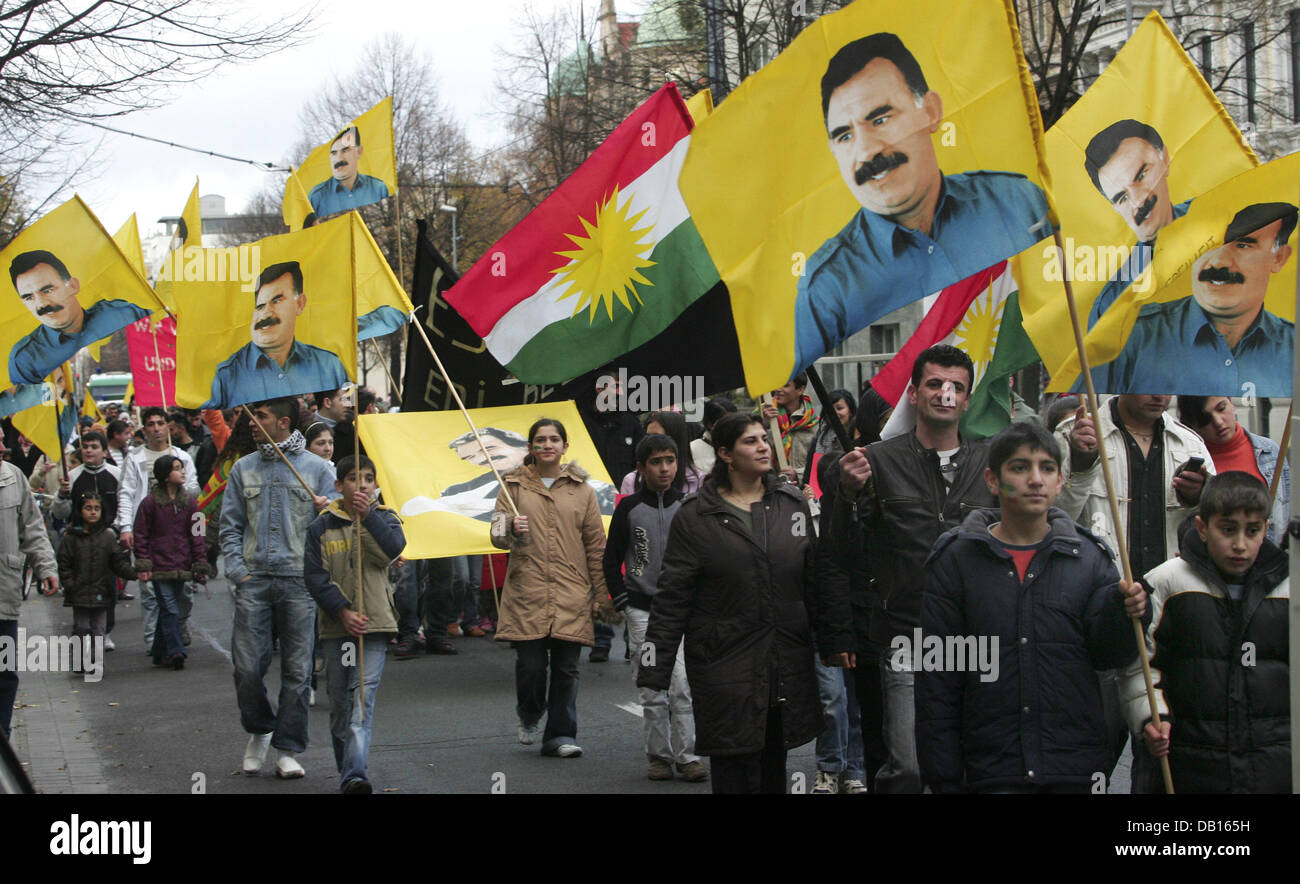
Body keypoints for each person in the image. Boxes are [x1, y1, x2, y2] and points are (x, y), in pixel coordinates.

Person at [793, 33, 1051, 371]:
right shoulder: (827, 287)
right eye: (845, 136)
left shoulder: (1016, 204)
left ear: (930, 111)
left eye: (881, 119)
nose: (866, 151)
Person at [915, 422, 1149, 793]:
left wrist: (1127, 612)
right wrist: (942, 773)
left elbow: (1110, 656)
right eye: (1020, 468)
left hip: (1071, 764)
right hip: (990, 765)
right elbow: (938, 677)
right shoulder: (957, 560)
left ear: (1060, 482)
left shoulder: (1089, 559)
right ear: (993, 481)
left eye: (1047, 468)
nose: (1035, 479)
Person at [827, 344, 997, 793]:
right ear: (914, 393)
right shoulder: (874, 461)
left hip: (977, 636)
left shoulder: (990, 465)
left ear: (967, 399)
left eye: (957, 387)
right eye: (936, 383)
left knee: (971, 766)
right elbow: (838, 550)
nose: (946, 393)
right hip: (905, 633)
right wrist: (844, 494)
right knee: (909, 767)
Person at [637, 412, 837, 793]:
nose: (763, 446)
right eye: (751, 441)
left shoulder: (790, 504)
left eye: (764, 438)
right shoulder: (696, 516)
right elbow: (672, 597)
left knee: (773, 767)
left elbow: (815, 580)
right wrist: (654, 667)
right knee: (736, 768)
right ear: (726, 454)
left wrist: (835, 641)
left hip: (783, 661)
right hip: (723, 662)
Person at [1055, 394, 1212, 789]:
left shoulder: (1189, 444)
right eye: (1148, 383)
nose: (1159, 394)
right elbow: (1054, 520)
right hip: (1097, 620)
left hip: (1165, 623)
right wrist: (1082, 461)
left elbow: (1212, 534)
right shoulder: (1075, 433)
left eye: (1166, 384)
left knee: (1164, 753)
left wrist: (1201, 499)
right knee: (1092, 754)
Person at [1125, 471, 1290, 792]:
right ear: (1202, 527)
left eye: (1252, 530)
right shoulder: (1167, 582)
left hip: (1273, 765)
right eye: (1227, 530)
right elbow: (1140, 665)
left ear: (1266, 529)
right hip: (1189, 762)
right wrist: (1151, 717)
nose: (1240, 544)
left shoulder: (1289, 587)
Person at [220, 397, 338, 778]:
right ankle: (260, 729)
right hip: (254, 580)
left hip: (299, 582)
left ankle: (288, 748)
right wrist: (239, 571)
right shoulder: (243, 468)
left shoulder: (319, 469)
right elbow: (230, 525)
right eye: (250, 416)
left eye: (260, 416)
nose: (251, 423)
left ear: (284, 422)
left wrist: (329, 510)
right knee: (246, 668)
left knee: (298, 671)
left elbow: (343, 521)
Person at [490, 417, 615, 758]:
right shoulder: (512, 486)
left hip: (571, 591)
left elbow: (595, 545)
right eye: (540, 440)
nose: (547, 444)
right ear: (530, 447)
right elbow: (496, 534)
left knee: (567, 667)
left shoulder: (582, 490)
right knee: (530, 666)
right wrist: (510, 529)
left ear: (564, 447)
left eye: (554, 439)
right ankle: (529, 713)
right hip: (527, 590)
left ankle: (560, 735)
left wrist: (603, 595)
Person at [1095, 203, 1297, 395]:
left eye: (1243, 245)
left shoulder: (1293, 348)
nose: (1218, 261)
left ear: (1279, 258)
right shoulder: (1133, 336)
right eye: (1206, 244)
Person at [605, 434, 707, 782]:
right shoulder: (629, 509)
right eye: (655, 462)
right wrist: (623, 601)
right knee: (652, 687)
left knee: (682, 685)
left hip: (682, 611)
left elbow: (705, 557)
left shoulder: (691, 507)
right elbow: (610, 560)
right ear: (641, 468)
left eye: (670, 461)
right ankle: (658, 757)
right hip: (642, 611)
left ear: (678, 464)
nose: (664, 469)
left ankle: (688, 756)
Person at [304, 454, 407, 794]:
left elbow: (393, 549)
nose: (360, 484)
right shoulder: (322, 525)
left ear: (375, 484)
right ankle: (347, 769)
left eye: (367, 478)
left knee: (362, 697)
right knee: (342, 701)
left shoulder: (386, 519)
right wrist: (342, 611)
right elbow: (315, 577)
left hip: (374, 626)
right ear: (338, 485)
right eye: (352, 478)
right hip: (340, 633)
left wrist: (367, 517)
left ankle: (355, 775)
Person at [1083, 120, 1193, 329]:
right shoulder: (1112, 303)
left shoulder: (1223, 216)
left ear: (1165, 160)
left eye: (1142, 176)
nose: (1138, 201)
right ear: (1113, 206)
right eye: (1122, 197)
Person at [201, 261, 350, 409]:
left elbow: (350, 409)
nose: (266, 313)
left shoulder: (329, 366)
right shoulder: (228, 375)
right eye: (260, 306)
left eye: (277, 300)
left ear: (300, 303)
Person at [117, 406, 199, 652]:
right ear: (144, 428)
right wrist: (125, 527)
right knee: (151, 590)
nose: (156, 428)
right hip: (150, 532)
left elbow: (195, 489)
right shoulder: (135, 459)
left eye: (160, 423)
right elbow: (127, 492)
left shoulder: (181, 457)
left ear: (168, 426)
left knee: (184, 589)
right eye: (150, 424)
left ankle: (177, 625)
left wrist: (178, 483)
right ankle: (155, 639)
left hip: (179, 532)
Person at [7, 251, 149, 385]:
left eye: (47, 290)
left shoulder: (122, 314)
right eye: (29, 297)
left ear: (73, 286)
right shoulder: (26, 358)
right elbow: (31, 409)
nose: (41, 304)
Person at [0, 445, 58, 738]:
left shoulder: (13, 478)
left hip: (3, 596)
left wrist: (46, 567)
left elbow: (33, 527)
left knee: (4, 675)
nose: (2, 447)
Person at [1176, 395, 1289, 545]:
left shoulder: (1270, 451)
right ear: (1192, 424)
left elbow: (1287, 512)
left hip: (1269, 562)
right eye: (1205, 419)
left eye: (1221, 408)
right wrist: (1192, 495)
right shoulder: (1188, 462)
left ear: (1231, 402)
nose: (1218, 422)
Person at [132, 455, 208, 669]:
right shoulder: (149, 504)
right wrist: (144, 562)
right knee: (170, 609)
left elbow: (198, 533)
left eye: (182, 468)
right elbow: (141, 534)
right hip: (159, 566)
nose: (182, 472)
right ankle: (176, 651)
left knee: (170, 608)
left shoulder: (192, 503)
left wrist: (200, 561)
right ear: (165, 475)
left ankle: (158, 650)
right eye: (176, 468)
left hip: (182, 564)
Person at [56, 493, 133, 676]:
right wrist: (69, 584)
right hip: (79, 591)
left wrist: (134, 573)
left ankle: (96, 663)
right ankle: (79, 660)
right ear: (80, 511)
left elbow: (117, 562)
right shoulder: (71, 537)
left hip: (101, 590)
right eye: (88, 508)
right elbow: (64, 562)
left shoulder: (107, 536)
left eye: (96, 509)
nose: (92, 513)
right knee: (81, 627)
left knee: (99, 629)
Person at [308, 126, 391, 217]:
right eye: (334, 153)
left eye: (345, 150)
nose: (339, 159)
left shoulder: (378, 188)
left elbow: (389, 222)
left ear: (359, 152)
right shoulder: (317, 197)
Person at [619, 411, 706, 494]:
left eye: (657, 437)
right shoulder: (631, 480)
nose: (650, 442)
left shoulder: (701, 481)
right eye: (648, 437)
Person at [760, 373, 819, 480]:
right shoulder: (763, 416)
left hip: (805, 489)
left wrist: (798, 475)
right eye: (777, 384)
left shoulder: (814, 424)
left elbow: (819, 463)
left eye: (785, 385)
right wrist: (764, 424)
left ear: (800, 389)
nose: (778, 389)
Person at [804, 387, 858, 490]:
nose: (835, 413)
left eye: (840, 408)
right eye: (830, 409)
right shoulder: (818, 441)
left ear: (850, 411)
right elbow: (808, 477)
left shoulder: (857, 438)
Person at [689, 396, 736, 474]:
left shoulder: (740, 446)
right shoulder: (691, 450)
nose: (733, 427)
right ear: (710, 425)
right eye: (727, 423)